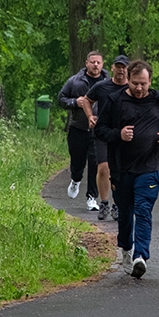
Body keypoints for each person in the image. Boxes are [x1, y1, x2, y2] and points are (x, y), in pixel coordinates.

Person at [94, 60, 159, 279]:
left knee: (143, 209)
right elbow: (100, 130)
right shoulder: (115, 100)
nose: (139, 88)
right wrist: (118, 135)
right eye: (134, 84)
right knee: (125, 216)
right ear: (128, 80)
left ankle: (141, 255)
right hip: (122, 169)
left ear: (150, 81)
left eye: (143, 84)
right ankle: (126, 248)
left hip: (150, 167)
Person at [58, 51, 109, 211]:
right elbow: (61, 98)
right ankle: (75, 180)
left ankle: (92, 197)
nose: (95, 65)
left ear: (102, 64)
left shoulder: (108, 82)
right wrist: (74, 102)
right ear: (86, 63)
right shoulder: (75, 81)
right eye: (92, 62)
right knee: (77, 161)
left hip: (99, 131)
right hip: (78, 127)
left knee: (96, 164)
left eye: (98, 62)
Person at [82, 55, 130, 221]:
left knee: (119, 171)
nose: (121, 70)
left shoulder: (131, 88)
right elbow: (86, 100)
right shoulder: (102, 86)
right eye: (118, 66)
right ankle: (104, 202)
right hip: (103, 132)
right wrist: (90, 116)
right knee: (103, 167)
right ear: (112, 68)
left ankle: (117, 204)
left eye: (124, 67)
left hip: (122, 135)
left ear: (128, 69)